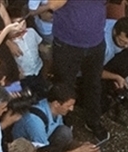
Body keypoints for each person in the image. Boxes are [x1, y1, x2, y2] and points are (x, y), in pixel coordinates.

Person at [47, 0, 110, 141]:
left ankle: (93, 121)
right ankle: (63, 122)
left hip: (96, 41)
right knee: (64, 85)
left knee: (94, 84)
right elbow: (53, 4)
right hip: (67, 43)